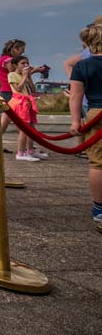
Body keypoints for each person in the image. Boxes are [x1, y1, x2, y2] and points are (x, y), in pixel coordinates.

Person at [67, 24, 102, 231]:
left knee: (98, 163)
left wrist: (75, 121)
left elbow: (76, 95)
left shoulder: (83, 66)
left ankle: (99, 208)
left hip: (96, 113)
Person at [8, 55, 45, 161]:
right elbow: (18, 89)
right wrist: (24, 77)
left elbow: (33, 90)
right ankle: (20, 153)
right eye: (23, 63)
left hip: (27, 102)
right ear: (15, 65)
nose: (26, 65)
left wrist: (29, 77)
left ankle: (30, 151)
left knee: (31, 129)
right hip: (19, 103)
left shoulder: (25, 75)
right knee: (23, 129)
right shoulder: (12, 75)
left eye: (27, 63)